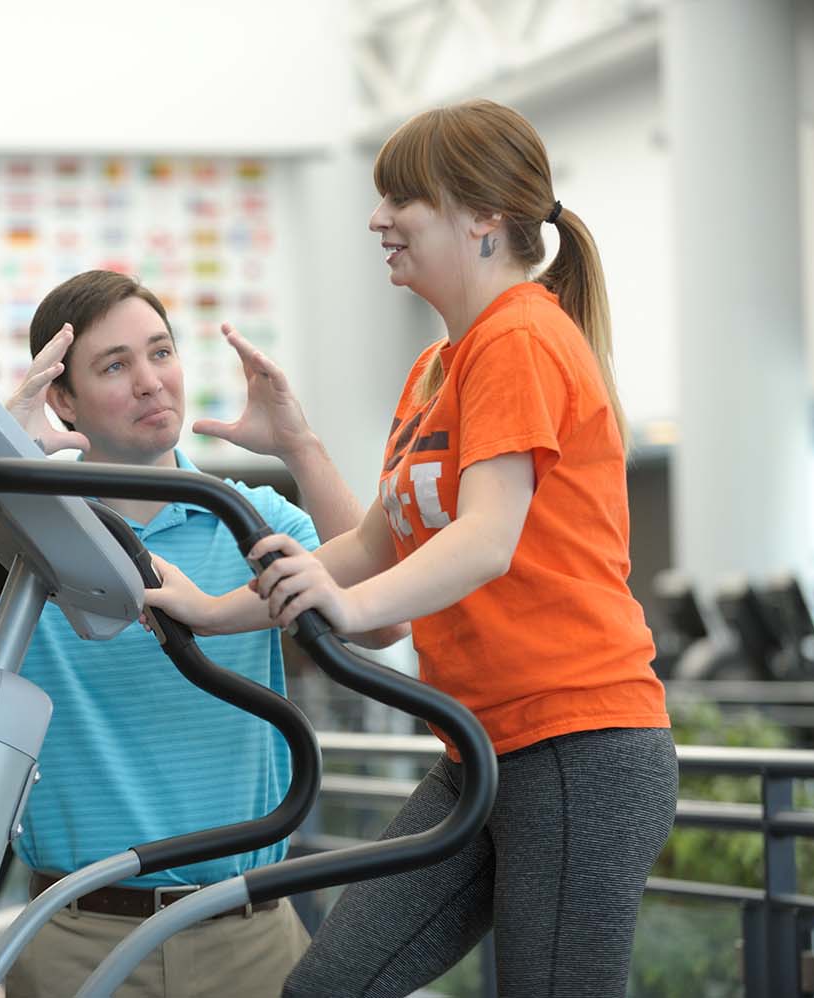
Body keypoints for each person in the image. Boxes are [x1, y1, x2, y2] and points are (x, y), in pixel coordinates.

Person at [145, 99, 678, 997]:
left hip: (582, 741)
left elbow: (485, 538)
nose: (375, 220)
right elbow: (371, 546)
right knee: (327, 986)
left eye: (405, 201)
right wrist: (213, 611)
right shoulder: (438, 368)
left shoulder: (520, 334)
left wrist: (345, 607)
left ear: (483, 220)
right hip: (480, 746)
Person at [0, 269, 383, 998]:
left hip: (250, 928)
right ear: (63, 400)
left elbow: (379, 620)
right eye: (116, 366)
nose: (151, 382)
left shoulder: (251, 517)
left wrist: (302, 447)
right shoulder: (21, 530)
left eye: (161, 352)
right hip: (79, 933)